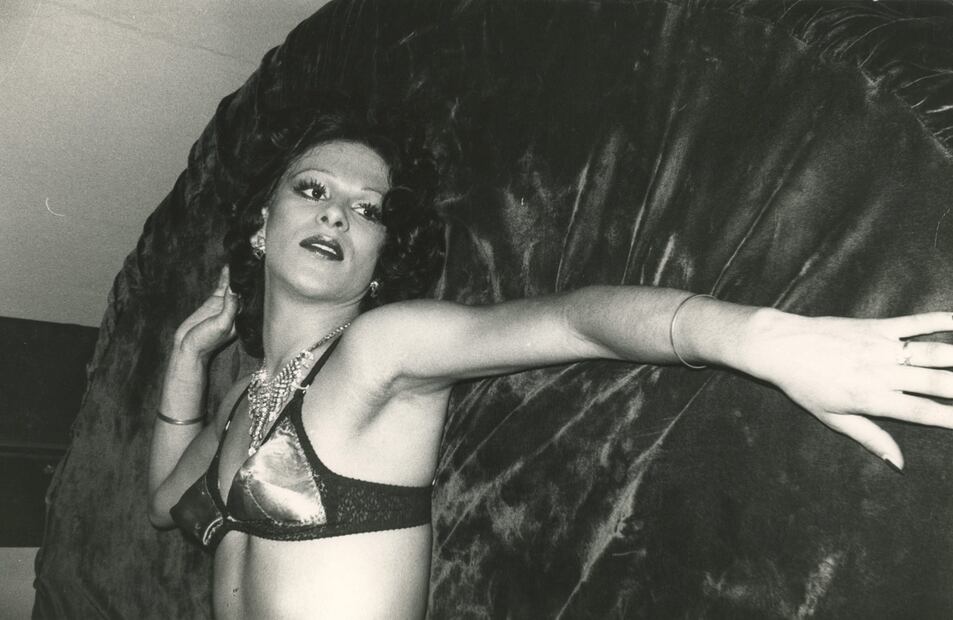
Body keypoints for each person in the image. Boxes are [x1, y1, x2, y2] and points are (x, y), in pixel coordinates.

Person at [147, 96, 953, 619]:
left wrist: (760, 338)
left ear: (382, 260)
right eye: (312, 190)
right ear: (261, 225)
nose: (336, 217)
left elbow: (575, 323)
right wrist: (188, 359)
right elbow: (164, 503)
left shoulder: (377, 351)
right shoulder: (247, 396)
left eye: (368, 210)